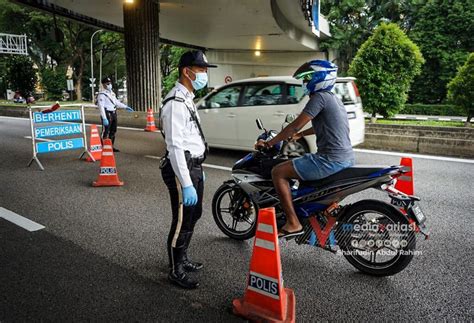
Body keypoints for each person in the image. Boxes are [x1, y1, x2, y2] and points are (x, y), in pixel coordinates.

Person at [255, 60, 355, 238]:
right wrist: (301, 135)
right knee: (301, 171)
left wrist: (270, 143)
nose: (305, 82)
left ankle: (293, 223)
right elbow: (324, 126)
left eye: (308, 78)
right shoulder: (334, 99)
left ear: (320, 78)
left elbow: (293, 126)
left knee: (278, 172)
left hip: (329, 160)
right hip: (345, 158)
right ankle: (314, 215)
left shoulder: (319, 98)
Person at [160, 50, 217, 289]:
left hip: (192, 165)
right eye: (201, 70)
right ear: (187, 71)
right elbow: (174, 146)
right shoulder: (175, 103)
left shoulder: (187, 98)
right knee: (182, 219)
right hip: (180, 166)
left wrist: (197, 167)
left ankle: (182, 257)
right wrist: (186, 181)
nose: (204, 74)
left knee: (194, 214)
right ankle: (175, 269)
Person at [97, 77, 134, 152]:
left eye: (110, 83)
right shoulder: (102, 94)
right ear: (103, 85)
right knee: (106, 131)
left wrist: (125, 107)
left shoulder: (112, 93)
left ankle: (110, 146)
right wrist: (104, 118)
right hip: (107, 113)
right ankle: (103, 147)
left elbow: (116, 102)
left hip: (113, 112)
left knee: (113, 130)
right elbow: (101, 107)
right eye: (107, 83)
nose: (109, 85)